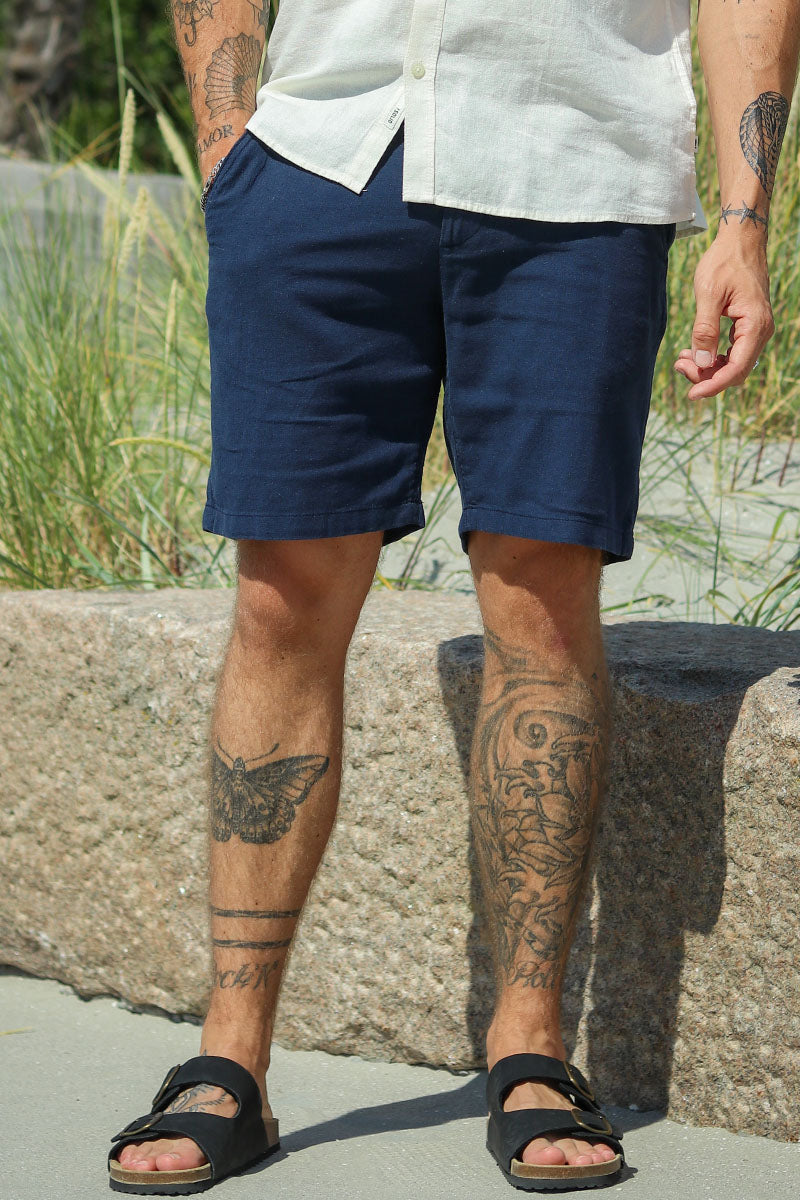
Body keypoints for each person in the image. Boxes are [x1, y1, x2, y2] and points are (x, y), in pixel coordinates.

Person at [107, 1, 799, 1193]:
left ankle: (529, 1050)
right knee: (280, 602)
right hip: (320, 156)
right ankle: (230, 1058)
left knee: (540, 602)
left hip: (575, 167)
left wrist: (743, 220)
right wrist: (229, 145)